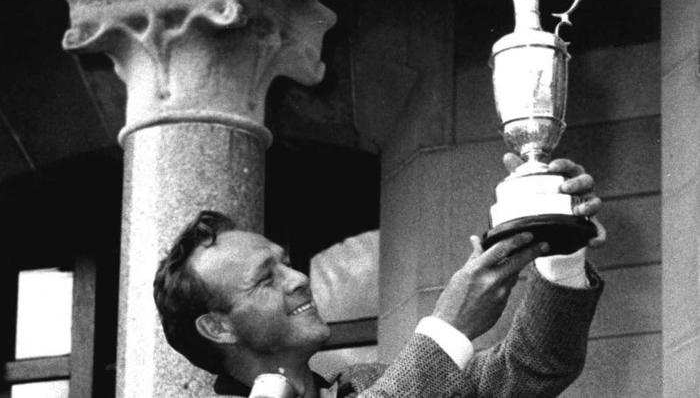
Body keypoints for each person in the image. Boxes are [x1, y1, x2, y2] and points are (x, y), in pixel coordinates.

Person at [153, 155, 605, 397]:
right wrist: (449, 327)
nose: (297, 278)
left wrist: (558, 245)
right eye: (265, 279)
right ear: (217, 326)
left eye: (284, 262)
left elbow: (533, 368)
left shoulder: (369, 385)